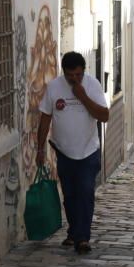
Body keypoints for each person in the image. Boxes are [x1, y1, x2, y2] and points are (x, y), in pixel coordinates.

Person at [36, 52, 110, 255]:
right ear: (64, 72)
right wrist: (40, 148)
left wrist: (83, 96)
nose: (75, 79)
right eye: (71, 76)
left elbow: (104, 116)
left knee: (85, 192)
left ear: (83, 71)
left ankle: (82, 238)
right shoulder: (54, 87)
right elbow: (45, 119)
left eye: (79, 75)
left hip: (88, 151)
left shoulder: (92, 85)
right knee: (69, 195)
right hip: (64, 151)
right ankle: (74, 230)